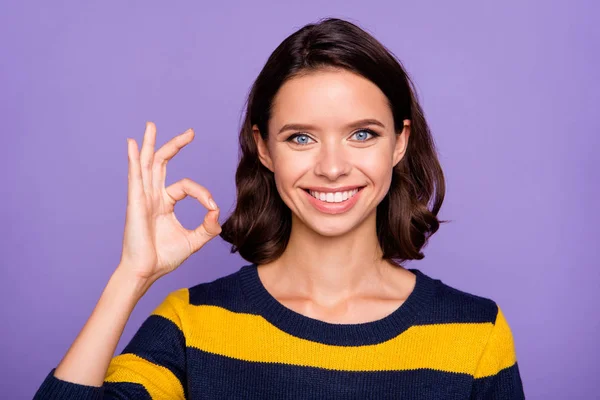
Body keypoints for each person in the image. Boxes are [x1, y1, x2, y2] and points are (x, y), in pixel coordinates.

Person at [34, 17, 525, 399]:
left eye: (362, 134)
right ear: (264, 148)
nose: (332, 167)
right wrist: (131, 277)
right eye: (301, 137)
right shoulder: (193, 325)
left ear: (399, 143)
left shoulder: (475, 331)